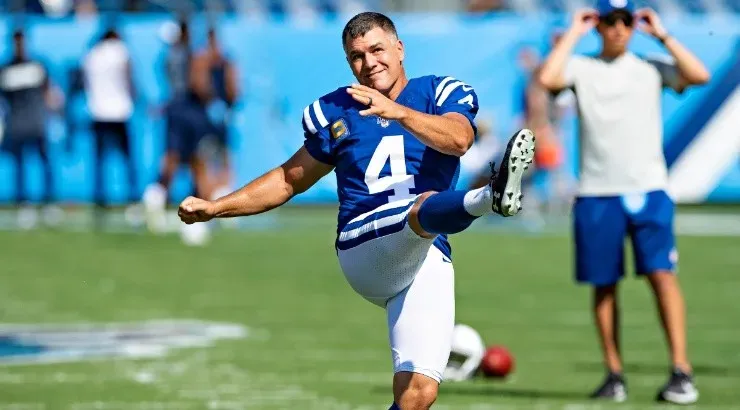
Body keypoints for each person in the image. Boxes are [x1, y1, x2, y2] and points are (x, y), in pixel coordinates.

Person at [178, 12, 535, 409]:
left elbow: (459, 139)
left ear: (399, 49)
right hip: (364, 248)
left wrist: (398, 112)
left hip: (426, 254)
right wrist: (216, 207)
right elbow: (288, 179)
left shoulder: (438, 92)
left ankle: (490, 196)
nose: (369, 63)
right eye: (357, 57)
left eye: (377, 50)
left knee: (418, 394)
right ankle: (490, 197)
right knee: (416, 209)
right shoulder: (338, 110)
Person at [538, 0, 710, 404]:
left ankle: (681, 371)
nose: (618, 29)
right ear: (598, 24)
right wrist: (574, 33)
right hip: (597, 193)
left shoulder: (651, 66)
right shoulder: (582, 66)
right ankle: (613, 374)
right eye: (610, 20)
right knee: (604, 285)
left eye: (626, 20)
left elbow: (699, 74)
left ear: (635, 23)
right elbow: (548, 78)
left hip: (649, 188)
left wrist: (663, 34)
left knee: (662, 276)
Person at [142, 24, 239, 234]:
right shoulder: (196, 57)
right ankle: (206, 207)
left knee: (180, 158)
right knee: (199, 160)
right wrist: (214, 100)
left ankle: (157, 199)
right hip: (192, 113)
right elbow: (202, 82)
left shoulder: (169, 57)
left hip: (183, 111)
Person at [0, 29, 63, 228]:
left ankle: (48, 202)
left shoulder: (37, 66)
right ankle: (23, 203)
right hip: (16, 124)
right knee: (20, 165)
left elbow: (50, 93)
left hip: (37, 123)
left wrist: (56, 112)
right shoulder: (6, 70)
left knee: (44, 162)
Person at [82, 27, 138, 225]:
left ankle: (100, 199)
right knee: (127, 160)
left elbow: (85, 83)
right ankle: (133, 197)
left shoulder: (91, 54)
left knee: (100, 160)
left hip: (98, 111)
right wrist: (135, 96)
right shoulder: (121, 50)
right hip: (120, 111)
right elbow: (129, 78)